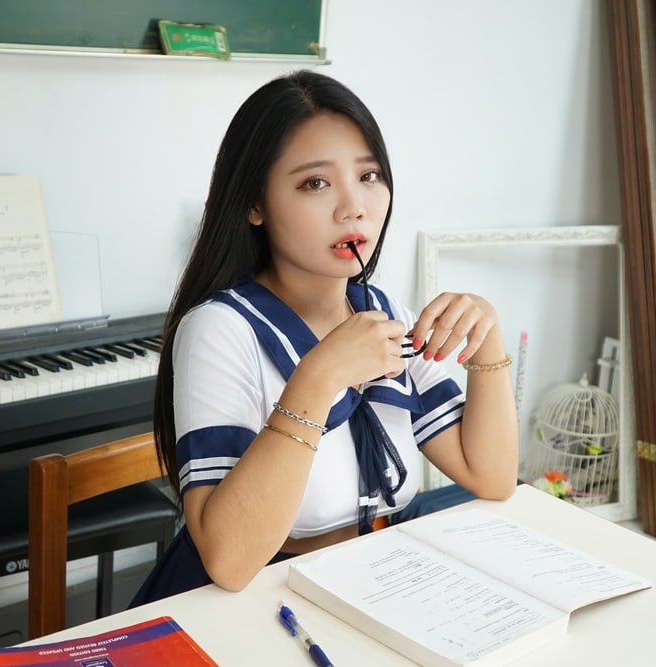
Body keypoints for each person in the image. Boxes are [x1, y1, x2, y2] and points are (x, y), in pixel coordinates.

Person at [130, 70, 518, 605]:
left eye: (369, 175)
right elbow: (229, 562)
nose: (353, 207)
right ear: (254, 204)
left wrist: (487, 339)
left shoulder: (384, 315)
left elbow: (492, 477)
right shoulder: (219, 329)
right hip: (248, 603)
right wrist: (319, 376)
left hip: (366, 582)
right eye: (315, 183)